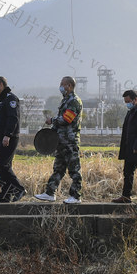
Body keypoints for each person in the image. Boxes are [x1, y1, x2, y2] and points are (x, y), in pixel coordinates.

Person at [35, 76, 83, 204]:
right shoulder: (66, 100)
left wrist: (53, 120)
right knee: (58, 168)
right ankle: (50, 193)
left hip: (70, 141)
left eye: (63, 84)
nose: (60, 87)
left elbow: (67, 119)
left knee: (74, 169)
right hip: (61, 141)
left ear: (69, 86)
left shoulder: (74, 101)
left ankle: (75, 196)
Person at [0, 76, 26, 203]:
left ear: (0, 84)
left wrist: (8, 135)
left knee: (3, 167)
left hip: (9, 138)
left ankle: (19, 189)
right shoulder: (0, 100)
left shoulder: (11, 98)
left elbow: (13, 118)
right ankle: (5, 195)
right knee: (2, 167)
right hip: (0, 138)